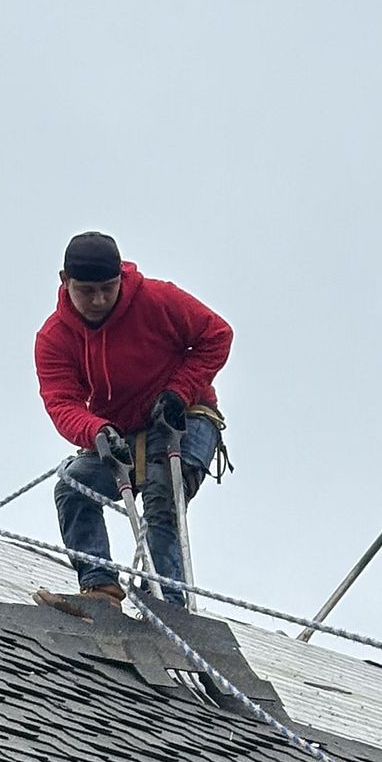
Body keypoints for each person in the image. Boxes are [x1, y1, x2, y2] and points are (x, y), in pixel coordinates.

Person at [33, 231, 231, 611]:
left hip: (183, 420)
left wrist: (179, 391)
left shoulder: (158, 300)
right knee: (74, 486)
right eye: (87, 291)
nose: (99, 300)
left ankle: (166, 604)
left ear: (120, 279)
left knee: (162, 496)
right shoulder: (55, 339)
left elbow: (217, 335)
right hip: (120, 435)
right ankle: (100, 589)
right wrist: (96, 430)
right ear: (64, 281)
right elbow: (62, 402)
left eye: (108, 288)